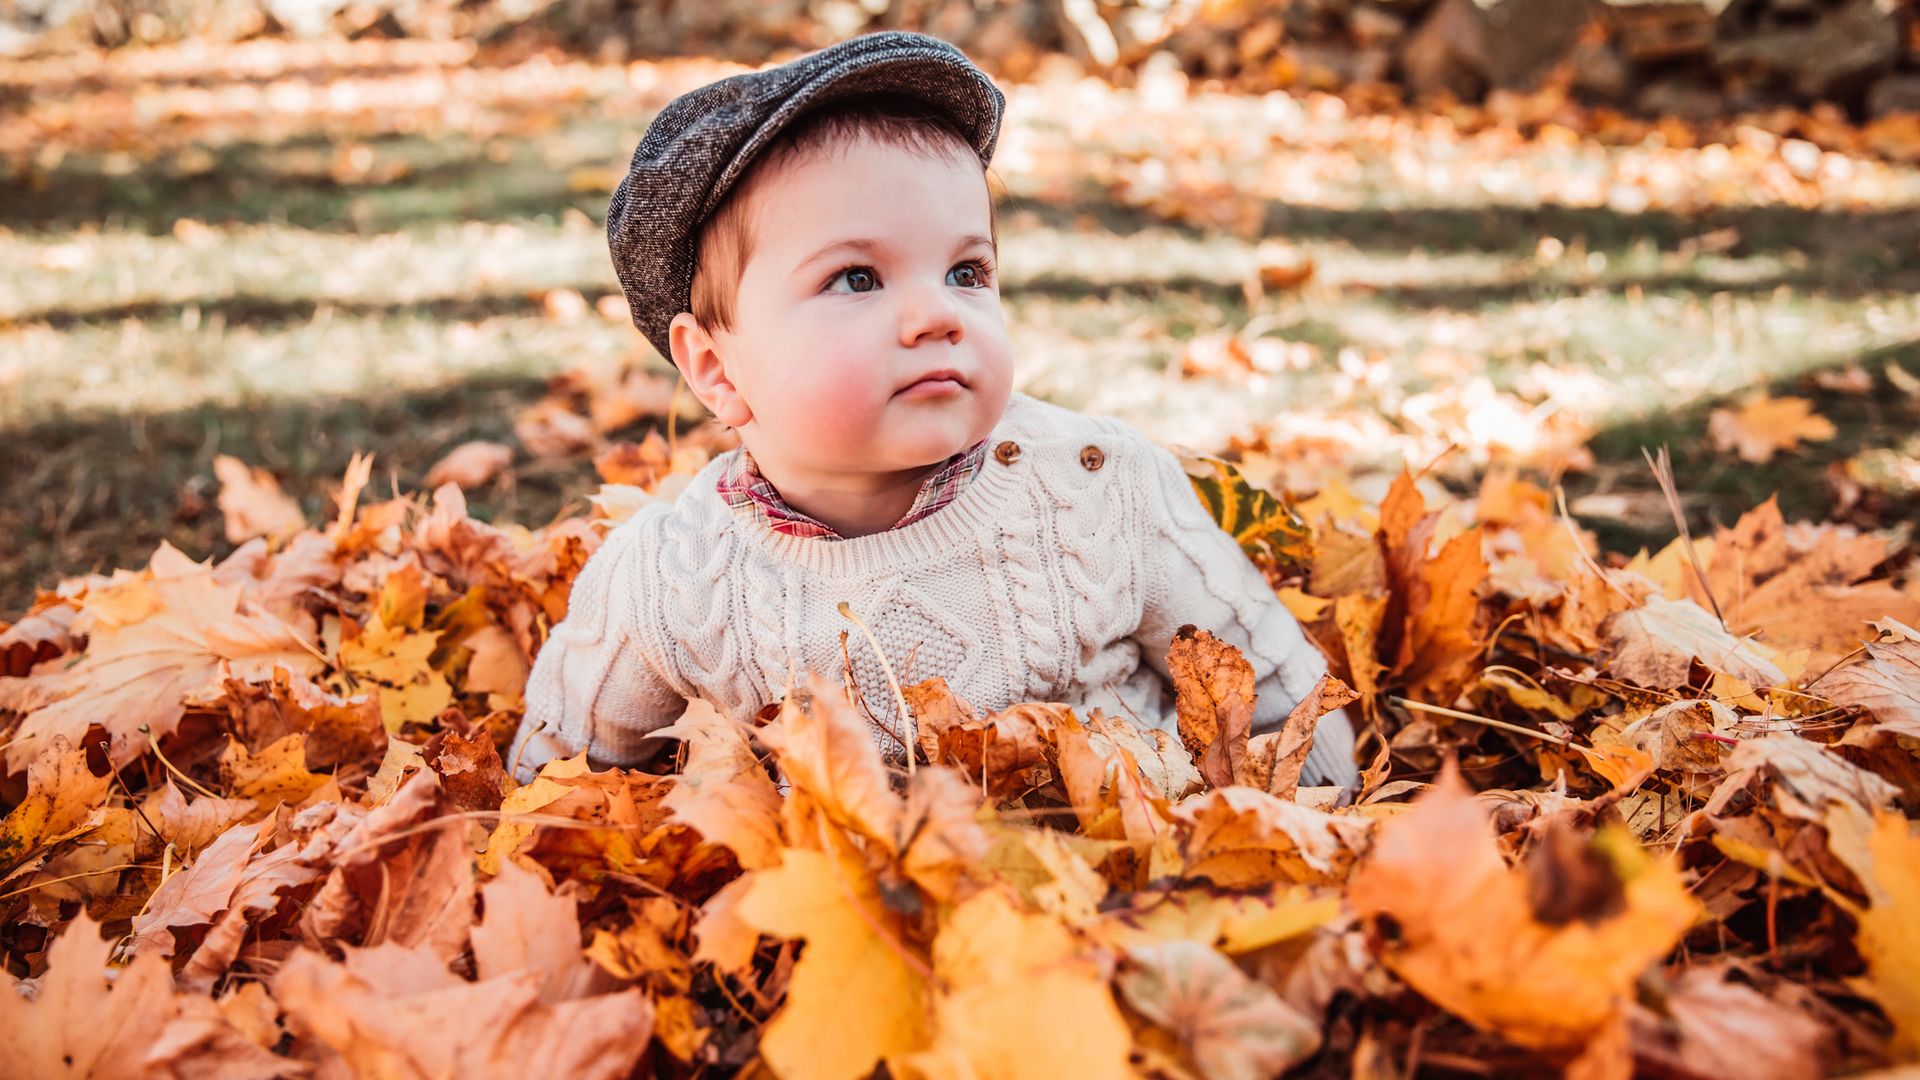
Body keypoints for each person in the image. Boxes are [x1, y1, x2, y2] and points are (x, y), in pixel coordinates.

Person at [506, 29, 1356, 787]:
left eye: (966, 273)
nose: (938, 314)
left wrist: (1314, 821)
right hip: (850, 932)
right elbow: (557, 784)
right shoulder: (670, 580)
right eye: (858, 279)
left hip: (1132, 898)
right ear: (716, 367)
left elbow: (1281, 690)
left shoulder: (1100, 487)